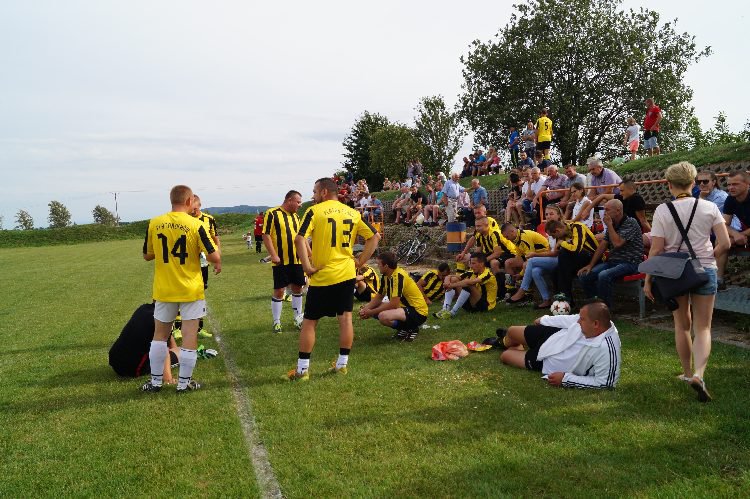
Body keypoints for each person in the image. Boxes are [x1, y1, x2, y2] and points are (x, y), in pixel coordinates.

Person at [644, 162, 730, 402]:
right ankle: (700, 374)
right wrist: (708, 257)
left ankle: (687, 373)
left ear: (669, 184)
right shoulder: (710, 207)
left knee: (682, 325)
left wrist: (648, 279)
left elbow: (656, 249)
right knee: (703, 328)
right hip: (704, 270)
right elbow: (725, 243)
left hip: (675, 272)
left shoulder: (662, 210)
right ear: (693, 183)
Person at [290, 178, 380, 380]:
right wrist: (360, 261)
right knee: (345, 319)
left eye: (315, 192)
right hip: (346, 274)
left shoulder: (314, 211)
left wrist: (306, 266)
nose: (313, 196)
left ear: (323, 192)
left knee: (310, 322)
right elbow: (375, 236)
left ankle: (302, 370)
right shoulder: (352, 212)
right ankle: (342, 365)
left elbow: (299, 238)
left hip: (323, 274)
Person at [141, 185, 221, 393]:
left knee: (159, 336)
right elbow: (214, 256)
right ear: (188, 201)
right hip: (190, 289)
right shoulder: (196, 224)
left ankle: (156, 383)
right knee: (189, 336)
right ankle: (184, 384)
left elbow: (147, 254)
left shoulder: (154, 223)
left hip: (164, 289)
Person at [498, 302, 621, 389]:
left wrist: (565, 379)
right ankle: (503, 340)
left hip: (547, 361)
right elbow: (572, 319)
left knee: (505, 355)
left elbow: (605, 383)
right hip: (554, 337)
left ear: (595, 324)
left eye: (582, 319)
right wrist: (544, 320)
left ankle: (513, 345)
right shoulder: (598, 320)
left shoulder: (607, 348)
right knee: (511, 331)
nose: (578, 321)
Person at [577, 199, 644, 306]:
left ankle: (605, 308)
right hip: (613, 262)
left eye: (607, 210)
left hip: (630, 263)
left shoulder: (630, 222)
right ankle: (595, 304)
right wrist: (591, 265)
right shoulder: (612, 224)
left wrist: (609, 225)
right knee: (585, 275)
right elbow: (603, 245)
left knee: (604, 275)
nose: (605, 213)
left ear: (618, 211)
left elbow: (617, 243)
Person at [359, 251, 428, 341]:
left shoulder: (398, 276)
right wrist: (365, 310)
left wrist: (371, 312)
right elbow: (379, 297)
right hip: (404, 308)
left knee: (383, 316)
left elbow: (393, 304)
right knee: (373, 308)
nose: (377, 266)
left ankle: (412, 328)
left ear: (386, 266)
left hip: (418, 312)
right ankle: (405, 328)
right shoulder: (386, 276)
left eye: (379, 264)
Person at [262, 190, 305, 333]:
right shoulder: (272, 213)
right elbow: (266, 235)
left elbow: (301, 238)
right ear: (289, 200)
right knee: (280, 290)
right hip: (280, 261)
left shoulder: (296, 217)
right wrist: (273, 255)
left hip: (297, 260)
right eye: (298, 202)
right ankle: (277, 322)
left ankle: (298, 319)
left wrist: (309, 255)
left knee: (298, 288)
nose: (300, 205)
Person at [506, 205, 565, 308]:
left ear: (559, 215)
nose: (548, 216)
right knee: (535, 271)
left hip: (563, 260)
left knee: (531, 261)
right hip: (553, 259)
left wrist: (535, 255)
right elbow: (550, 250)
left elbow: (556, 253)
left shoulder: (561, 228)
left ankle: (522, 291)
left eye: (551, 214)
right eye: (546, 214)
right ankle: (546, 299)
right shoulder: (549, 229)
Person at [545, 219, 598, 304]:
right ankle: (564, 300)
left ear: (557, 231)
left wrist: (562, 243)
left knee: (563, 254)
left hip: (593, 257)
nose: (554, 238)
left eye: (553, 236)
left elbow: (576, 249)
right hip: (578, 260)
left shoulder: (578, 227)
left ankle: (565, 297)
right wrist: (560, 245)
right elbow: (559, 251)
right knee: (555, 271)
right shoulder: (563, 235)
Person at [433, 252, 498, 318]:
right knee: (453, 279)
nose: (471, 266)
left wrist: (451, 286)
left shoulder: (488, 274)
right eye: (470, 263)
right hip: (473, 304)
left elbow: (469, 282)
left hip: (485, 306)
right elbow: (452, 276)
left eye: (473, 263)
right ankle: (445, 309)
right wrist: (447, 280)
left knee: (469, 284)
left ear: (481, 264)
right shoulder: (472, 272)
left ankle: (452, 313)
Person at [717, 170, 750, 288]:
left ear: (747, 184)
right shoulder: (730, 199)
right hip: (744, 233)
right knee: (721, 241)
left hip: (745, 233)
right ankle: (718, 280)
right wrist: (735, 235)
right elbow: (723, 224)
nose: (731, 188)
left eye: (735, 184)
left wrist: (740, 235)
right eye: (729, 184)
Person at [500, 222, 550, 298]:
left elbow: (530, 257)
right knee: (508, 262)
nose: (506, 238)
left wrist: (520, 274)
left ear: (512, 231)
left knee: (525, 264)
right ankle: (511, 288)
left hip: (543, 255)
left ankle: (527, 290)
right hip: (533, 254)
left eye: (507, 236)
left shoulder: (524, 237)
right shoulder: (516, 238)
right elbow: (519, 254)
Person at [191, 195, 220, 294]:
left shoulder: (209, 219)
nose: (193, 211)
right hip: (188, 257)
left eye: (195, 208)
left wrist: (217, 260)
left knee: (203, 285)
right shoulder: (185, 219)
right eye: (191, 208)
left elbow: (215, 238)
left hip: (204, 255)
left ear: (199, 205)